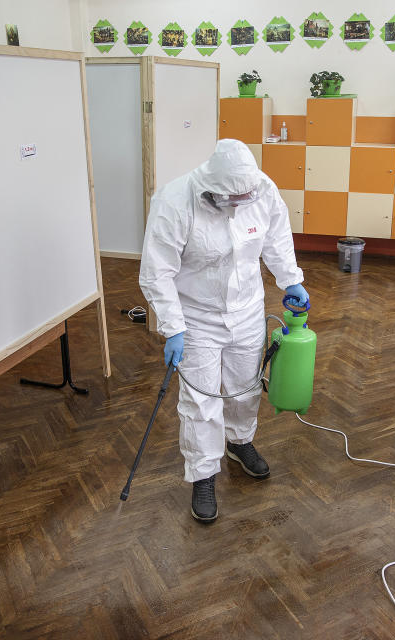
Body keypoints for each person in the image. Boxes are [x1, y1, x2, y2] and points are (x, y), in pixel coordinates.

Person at [139, 139, 308, 523]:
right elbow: (156, 272)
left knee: (245, 385)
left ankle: (240, 441)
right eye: (233, 199)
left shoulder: (260, 189)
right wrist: (173, 327)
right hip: (196, 316)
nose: (240, 203)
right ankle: (203, 474)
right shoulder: (174, 202)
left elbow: (276, 238)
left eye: (245, 196)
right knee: (200, 399)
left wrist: (291, 280)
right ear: (213, 189)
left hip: (247, 308)